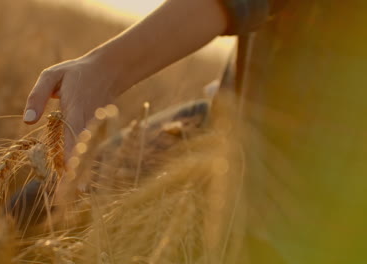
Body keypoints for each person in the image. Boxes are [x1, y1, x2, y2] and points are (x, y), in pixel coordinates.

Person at [23, 0, 367, 263]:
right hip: (227, 126)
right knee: (32, 209)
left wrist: (104, 68)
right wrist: (101, 69)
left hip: (311, 214)